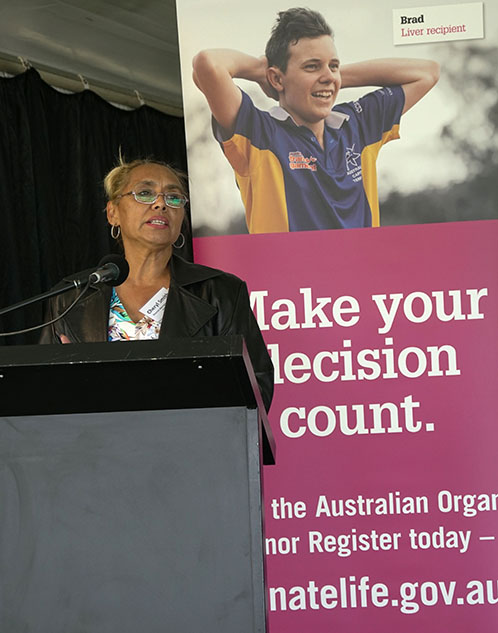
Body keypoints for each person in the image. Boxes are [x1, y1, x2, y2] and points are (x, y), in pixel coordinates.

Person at [39, 159, 274, 411]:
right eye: (144, 193)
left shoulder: (220, 292)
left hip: (188, 444)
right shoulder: (70, 297)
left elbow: (255, 388)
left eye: (174, 197)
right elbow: (40, 393)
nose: (161, 203)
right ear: (113, 213)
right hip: (94, 444)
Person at [192, 7, 440, 233]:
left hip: (364, 280)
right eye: (311, 66)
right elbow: (208, 65)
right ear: (276, 79)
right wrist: (260, 71)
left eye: (334, 65)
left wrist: (331, 77)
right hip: (292, 283)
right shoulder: (259, 132)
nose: (328, 76)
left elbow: (427, 73)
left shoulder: (358, 123)